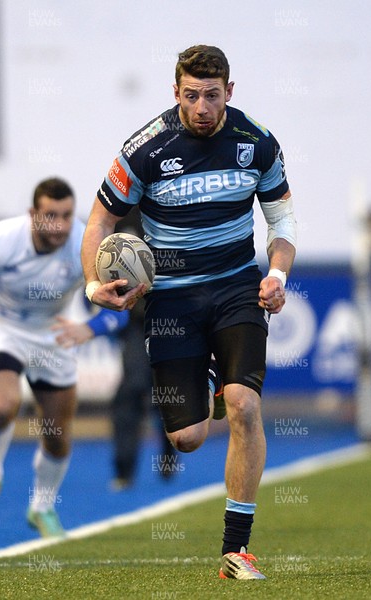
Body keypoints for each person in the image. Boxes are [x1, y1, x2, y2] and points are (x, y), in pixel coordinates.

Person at [81, 45, 297, 580]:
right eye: (191, 95)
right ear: (175, 92)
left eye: (213, 94)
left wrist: (277, 276)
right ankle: (208, 375)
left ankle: (236, 550)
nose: (202, 106)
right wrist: (93, 285)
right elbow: (97, 225)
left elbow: (283, 224)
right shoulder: (143, 150)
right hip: (171, 298)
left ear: (230, 91)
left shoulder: (257, 142)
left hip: (236, 289)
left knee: (245, 406)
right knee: (188, 438)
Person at [0, 177, 127, 538]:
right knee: (3, 403)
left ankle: (42, 508)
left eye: (67, 216)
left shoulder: (85, 247)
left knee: (56, 434)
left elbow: (120, 309)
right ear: (32, 214)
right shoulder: (5, 239)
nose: (59, 225)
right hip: (5, 328)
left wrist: (91, 328)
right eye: (50, 216)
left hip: (55, 334)